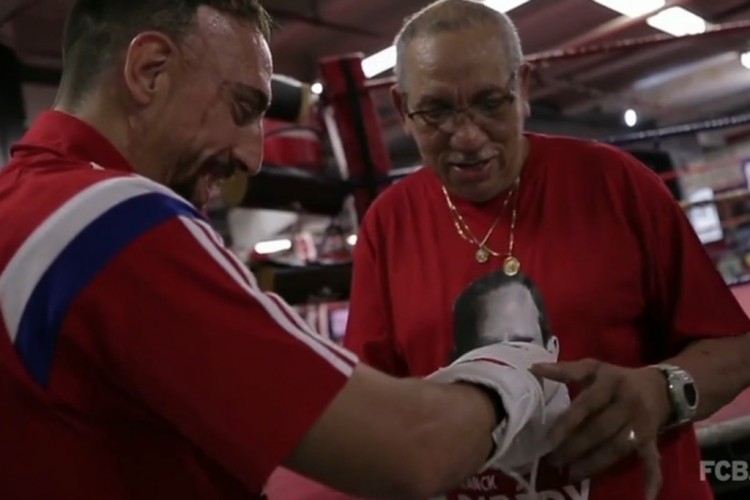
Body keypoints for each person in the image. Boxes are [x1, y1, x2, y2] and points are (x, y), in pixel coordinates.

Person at [0, 1, 565, 499]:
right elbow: (408, 451)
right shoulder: (110, 222)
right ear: (151, 70)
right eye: (244, 109)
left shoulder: (19, 206)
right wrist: (515, 370)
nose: (253, 155)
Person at [339, 0, 750, 499]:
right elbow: (372, 408)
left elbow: (735, 347)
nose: (467, 137)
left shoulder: (616, 185)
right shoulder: (388, 225)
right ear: (404, 110)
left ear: (524, 88)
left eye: (491, 102)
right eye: (438, 110)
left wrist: (664, 392)